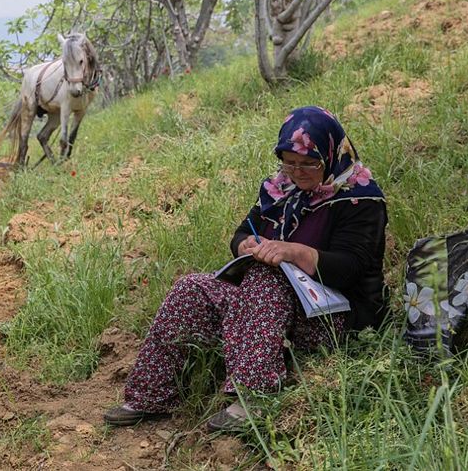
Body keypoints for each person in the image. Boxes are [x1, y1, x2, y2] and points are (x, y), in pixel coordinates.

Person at [103, 106, 388, 432]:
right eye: (289, 162)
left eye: (310, 163)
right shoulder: (280, 189)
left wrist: (294, 252)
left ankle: (255, 397)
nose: (298, 172)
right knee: (191, 288)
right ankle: (149, 396)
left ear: (331, 154)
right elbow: (243, 232)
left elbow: (351, 268)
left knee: (266, 277)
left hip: (335, 315)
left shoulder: (359, 197)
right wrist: (247, 247)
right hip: (268, 304)